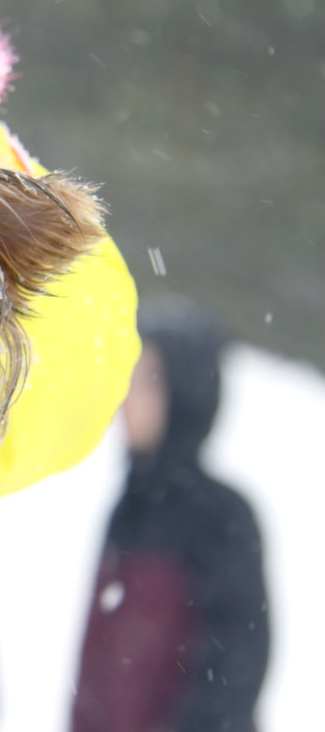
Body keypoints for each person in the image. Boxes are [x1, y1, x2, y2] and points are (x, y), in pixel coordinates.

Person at [72, 296, 269, 731]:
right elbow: (99, 663)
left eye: (147, 381)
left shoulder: (222, 516)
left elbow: (236, 665)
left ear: (184, 390)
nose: (128, 396)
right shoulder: (127, 507)